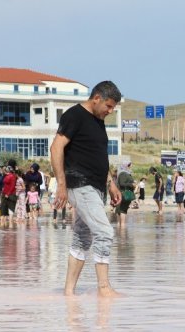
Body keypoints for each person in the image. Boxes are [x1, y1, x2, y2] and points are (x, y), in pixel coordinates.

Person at [50, 80, 123, 298]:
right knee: (105, 232)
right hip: (80, 184)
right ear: (97, 98)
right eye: (108, 106)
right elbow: (56, 147)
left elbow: (97, 155)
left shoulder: (98, 121)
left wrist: (111, 183)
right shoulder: (74, 115)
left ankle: (69, 293)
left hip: (96, 186)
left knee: (82, 238)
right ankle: (104, 289)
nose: (110, 112)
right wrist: (61, 185)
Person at [115, 161, 135, 226]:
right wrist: (131, 184)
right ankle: (121, 231)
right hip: (122, 194)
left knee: (121, 210)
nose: (130, 167)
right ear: (125, 166)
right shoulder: (123, 173)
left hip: (125, 194)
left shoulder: (127, 173)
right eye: (129, 165)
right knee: (121, 210)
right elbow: (122, 183)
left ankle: (120, 232)